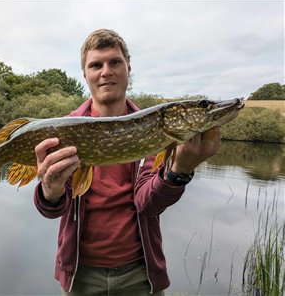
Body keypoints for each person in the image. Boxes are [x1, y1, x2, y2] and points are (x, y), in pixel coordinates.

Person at [33, 29, 220, 295]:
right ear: (85, 74)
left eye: (115, 62)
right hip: (79, 274)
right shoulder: (64, 130)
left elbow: (148, 203)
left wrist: (180, 171)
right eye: (96, 65)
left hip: (141, 275)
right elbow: (51, 209)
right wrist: (49, 191)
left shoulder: (156, 129)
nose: (105, 71)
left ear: (128, 68)